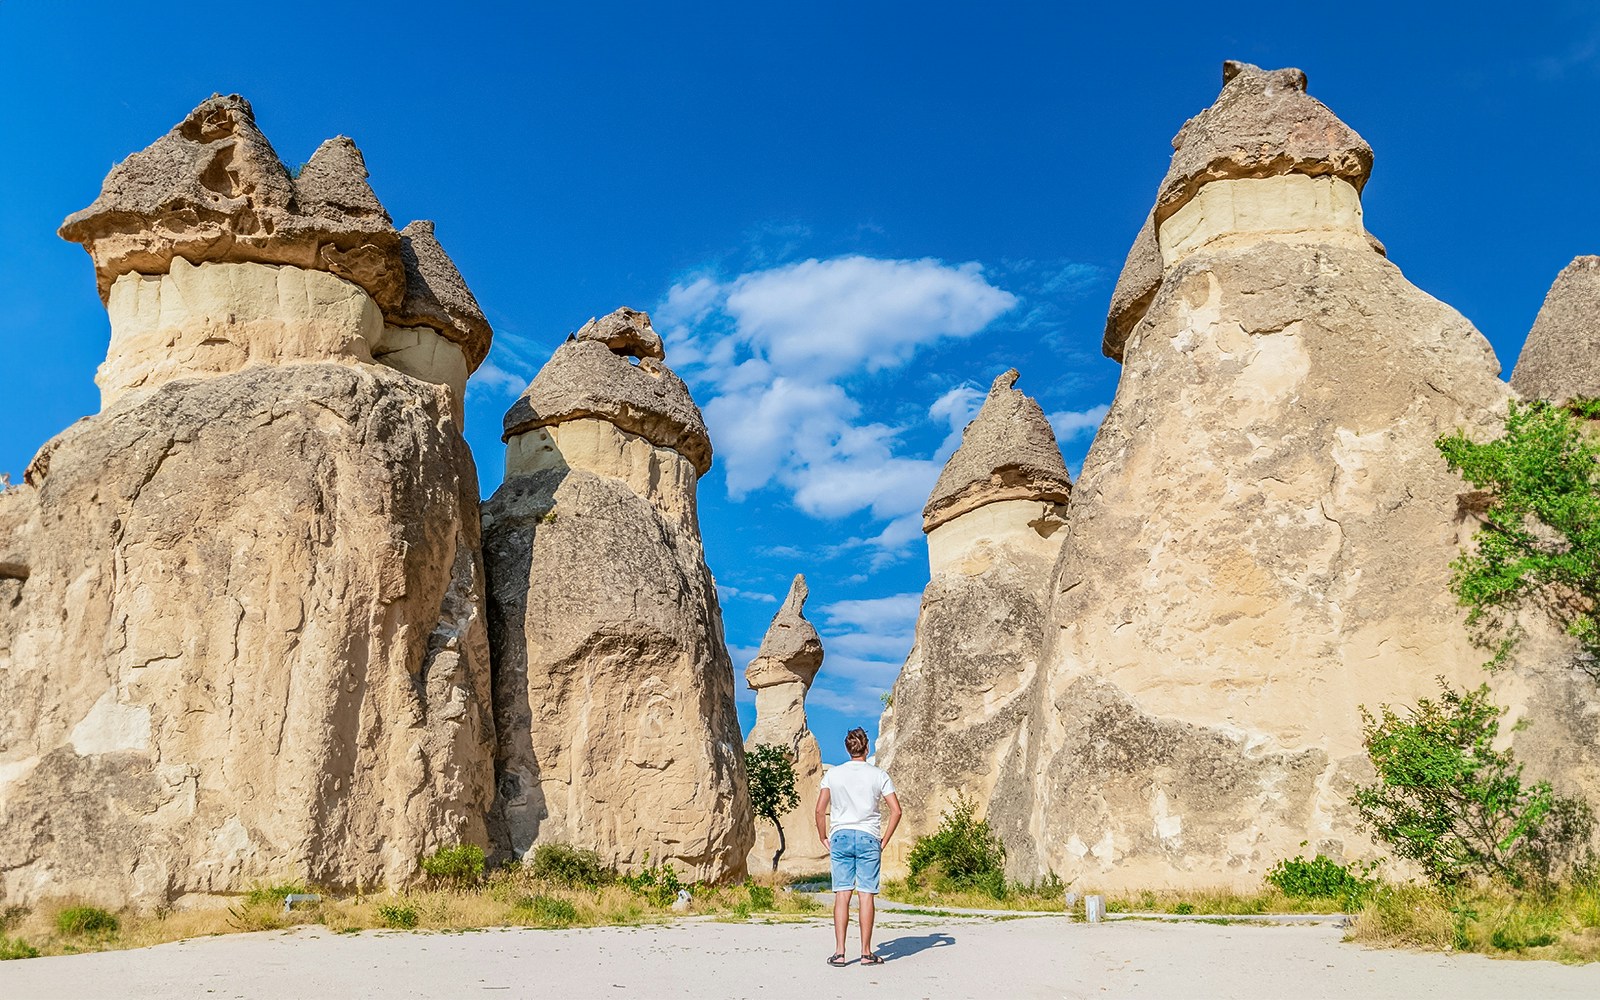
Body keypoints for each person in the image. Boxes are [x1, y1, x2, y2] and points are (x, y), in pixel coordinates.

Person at [815, 726, 901, 967]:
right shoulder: (879, 775)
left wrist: (823, 837)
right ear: (867, 747)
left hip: (840, 835)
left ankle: (840, 953)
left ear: (847, 748)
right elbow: (896, 810)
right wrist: (884, 840)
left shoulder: (833, 775)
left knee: (842, 894)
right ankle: (865, 953)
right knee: (866, 895)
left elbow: (820, 810)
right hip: (868, 837)